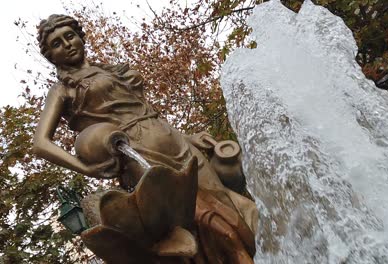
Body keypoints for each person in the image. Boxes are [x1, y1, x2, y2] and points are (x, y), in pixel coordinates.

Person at [33, 14, 257, 263]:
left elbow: (143, 110)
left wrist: (189, 137)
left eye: (69, 36)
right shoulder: (63, 90)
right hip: (140, 155)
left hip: (175, 142)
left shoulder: (112, 70)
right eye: (56, 43)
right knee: (209, 221)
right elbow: (40, 143)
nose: (66, 44)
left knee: (231, 206)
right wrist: (85, 167)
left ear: (80, 38)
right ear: (51, 56)